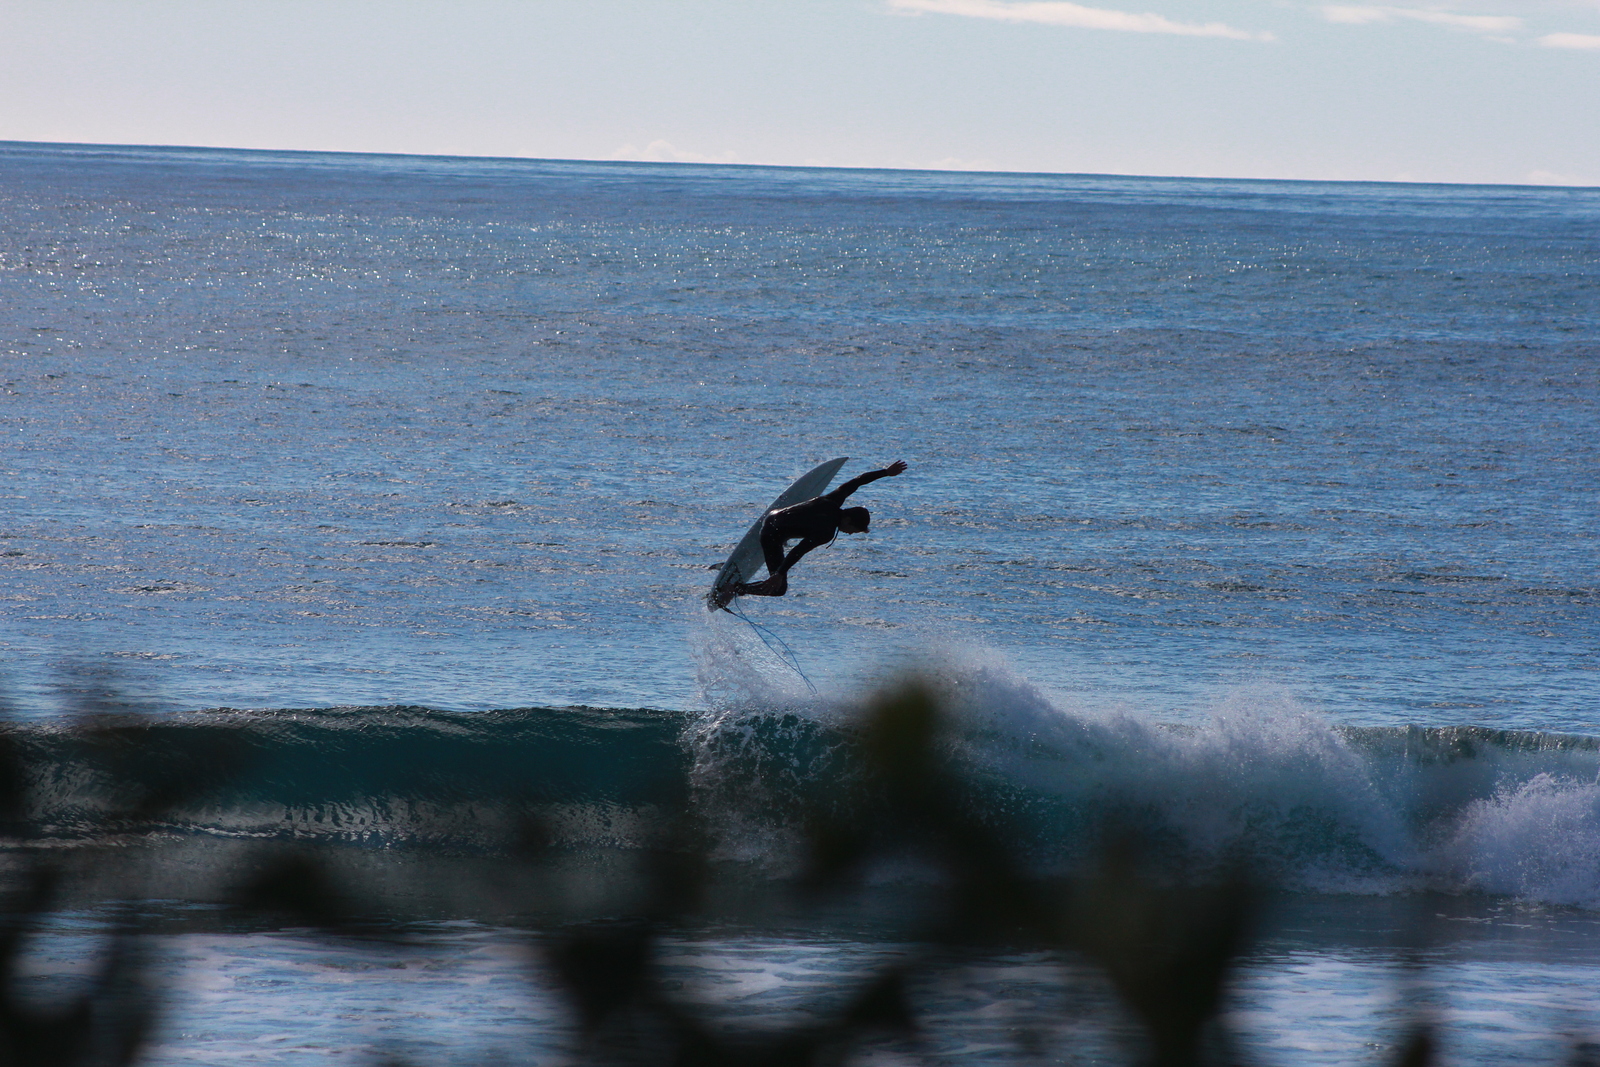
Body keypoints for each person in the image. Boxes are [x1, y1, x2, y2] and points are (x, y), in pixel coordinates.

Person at [712, 460, 908, 609]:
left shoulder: (834, 499)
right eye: (854, 530)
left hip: (772, 516)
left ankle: (780, 543)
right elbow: (799, 551)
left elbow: (857, 482)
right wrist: (779, 574)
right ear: (848, 520)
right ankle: (735, 589)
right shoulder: (826, 533)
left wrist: (885, 472)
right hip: (771, 535)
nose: (850, 534)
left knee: (788, 534)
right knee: (779, 590)